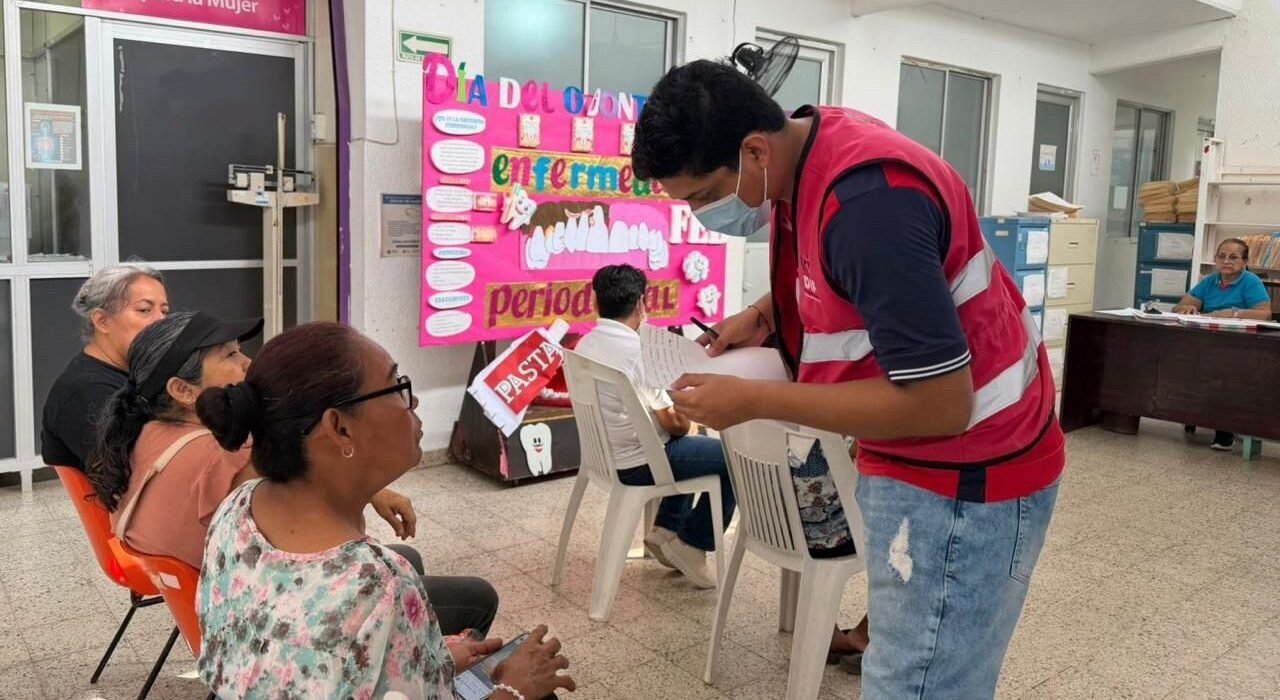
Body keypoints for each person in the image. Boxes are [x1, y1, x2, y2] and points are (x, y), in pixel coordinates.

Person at [632, 60, 1064, 698]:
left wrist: (751, 398)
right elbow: (835, 278)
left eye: (701, 196)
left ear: (753, 151)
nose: (701, 215)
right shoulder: (804, 156)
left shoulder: (870, 206)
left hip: (970, 471)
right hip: (913, 455)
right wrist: (759, 316)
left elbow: (941, 403)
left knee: (915, 684)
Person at [196, 322, 575, 699]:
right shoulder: (378, 585)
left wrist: (427, 660)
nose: (413, 402)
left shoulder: (237, 507)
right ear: (339, 427)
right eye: (398, 387)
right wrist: (513, 690)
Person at [90, 311, 498, 637]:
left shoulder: (144, 431)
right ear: (182, 390)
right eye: (230, 356)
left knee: (404, 560)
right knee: (470, 595)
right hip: (260, 616)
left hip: (208, 605)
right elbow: (316, 540)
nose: (248, 363)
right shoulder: (226, 462)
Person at [573, 264, 736, 589]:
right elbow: (674, 424)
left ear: (594, 302)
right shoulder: (638, 352)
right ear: (640, 305)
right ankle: (693, 544)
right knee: (733, 459)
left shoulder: (585, 345)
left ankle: (666, 529)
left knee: (693, 446)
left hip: (606, 457)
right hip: (639, 464)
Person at [42, 262, 168, 471]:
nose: (161, 321)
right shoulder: (87, 391)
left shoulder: (136, 374)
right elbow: (138, 476)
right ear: (102, 321)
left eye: (164, 311)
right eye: (145, 310)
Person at [1173, 237, 1272, 450]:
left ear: (1245, 261)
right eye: (1222, 256)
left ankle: (1224, 430)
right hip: (1209, 338)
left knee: (1222, 375)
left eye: (1233, 257)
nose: (1226, 261)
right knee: (1188, 364)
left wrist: (1235, 313)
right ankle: (1195, 414)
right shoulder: (1211, 280)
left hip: (1239, 343)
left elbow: (1265, 313)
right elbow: (1184, 303)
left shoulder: (1251, 281)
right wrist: (1188, 307)